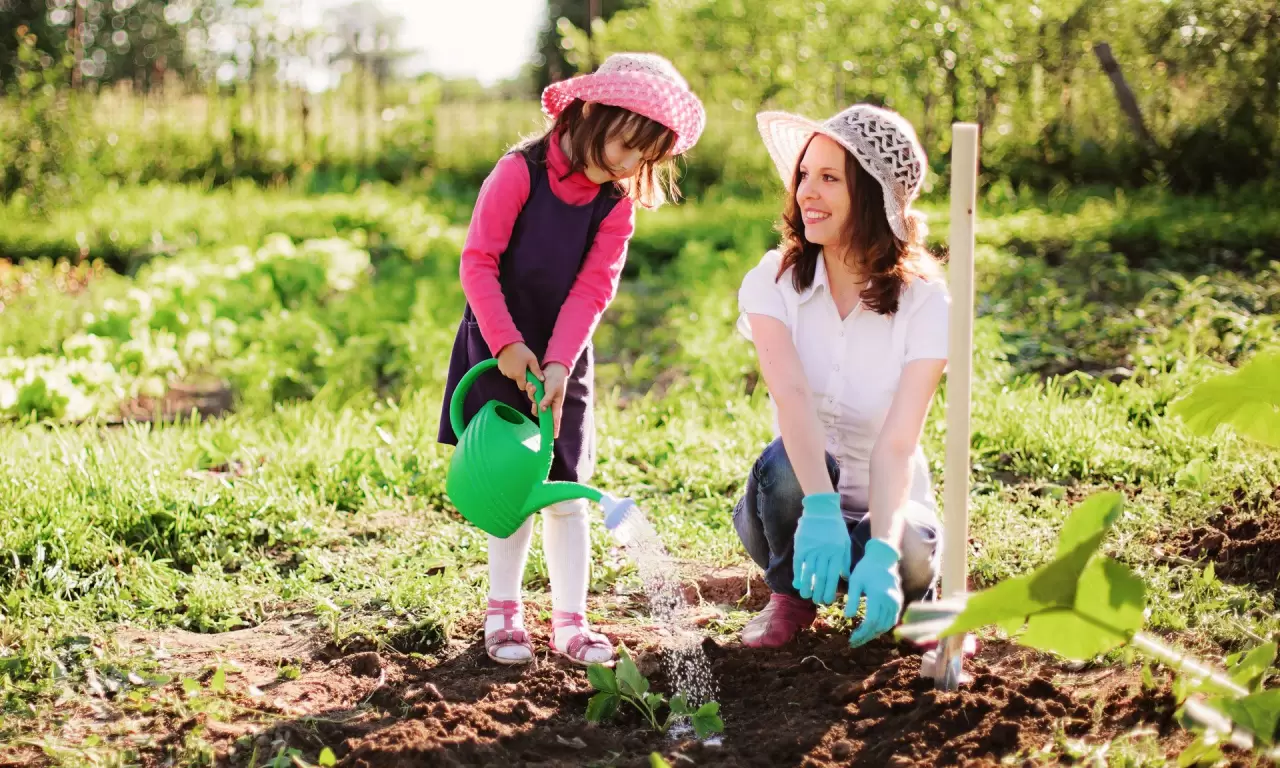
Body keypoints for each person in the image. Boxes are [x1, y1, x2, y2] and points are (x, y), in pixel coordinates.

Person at [437, 53, 705, 667]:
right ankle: (503, 612)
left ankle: (570, 621)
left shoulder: (615, 204)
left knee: (564, 492)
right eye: (626, 144)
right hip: (498, 342)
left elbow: (593, 288)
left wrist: (559, 361)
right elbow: (478, 262)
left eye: (646, 156)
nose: (631, 164)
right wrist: (507, 346)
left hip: (563, 359)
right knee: (512, 487)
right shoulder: (517, 174)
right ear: (590, 113)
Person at [733, 103, 948, 649]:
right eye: (804, 174)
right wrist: (822, 508)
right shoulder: (774, 279)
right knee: (783, 465)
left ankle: (893, 592)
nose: (807, 191)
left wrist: (881, 547)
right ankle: (792, 597)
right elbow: (792, 397)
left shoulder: (926, 302)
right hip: (794, 506)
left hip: (890, 504)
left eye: (829, 178)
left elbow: (898, 444)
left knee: (913, 555)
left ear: (873, 197)